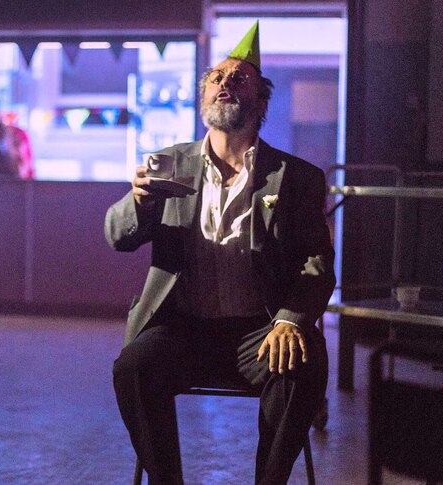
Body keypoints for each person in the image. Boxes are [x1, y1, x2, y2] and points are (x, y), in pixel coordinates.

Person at [106, 22, 334, 485]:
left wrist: (291, 318)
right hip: (183, 327)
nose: (224, 83)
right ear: (204, 96)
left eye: (239, 78)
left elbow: (317, 261)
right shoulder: (168, 163)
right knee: (133, 369)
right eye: (216, 78)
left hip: (261, 330)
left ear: (261, 102)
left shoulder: (296, 178)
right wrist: (139, 202)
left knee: (299, 371)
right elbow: (117, 236)